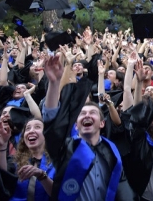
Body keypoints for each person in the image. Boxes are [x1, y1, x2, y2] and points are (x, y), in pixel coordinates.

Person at [41, 54, 137, 200]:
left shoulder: (111, 151)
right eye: (82, 113)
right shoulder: (64, 148)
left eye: (92, 112)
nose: (87, 115)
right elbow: (51, 120)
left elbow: (123, 190)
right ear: (75, 123)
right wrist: (54, 83)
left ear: (102, 123)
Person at [0, 118, 55, 200]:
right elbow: (0, 179)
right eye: (28, 128)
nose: (31, 131)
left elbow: (60, 193)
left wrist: (41, 175)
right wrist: (2, 145)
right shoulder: (15, 160)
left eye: (37, 127)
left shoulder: (57, 161)